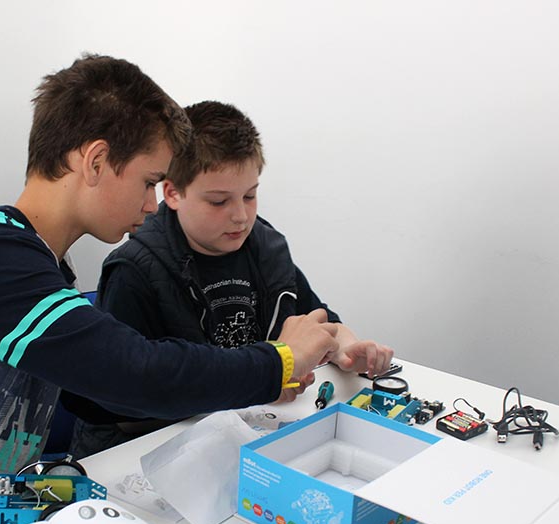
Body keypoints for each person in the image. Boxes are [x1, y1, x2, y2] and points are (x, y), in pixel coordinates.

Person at [0, 55, 338, 524]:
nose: (152, 204)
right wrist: (278, 360)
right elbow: (133, 372)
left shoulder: (48, 263)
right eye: (148, 182)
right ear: (95, 162)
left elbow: (95, 391)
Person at [64, 101, 394, 458]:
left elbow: (318, 320)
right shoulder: (134, 271)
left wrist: (345, 348)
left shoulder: (265, 248)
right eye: (219, 201)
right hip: (143, 451)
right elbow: (125, 403)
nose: (240, 216)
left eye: (250, 196)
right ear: (172, 193)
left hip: (240, 429)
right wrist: (256, 383)